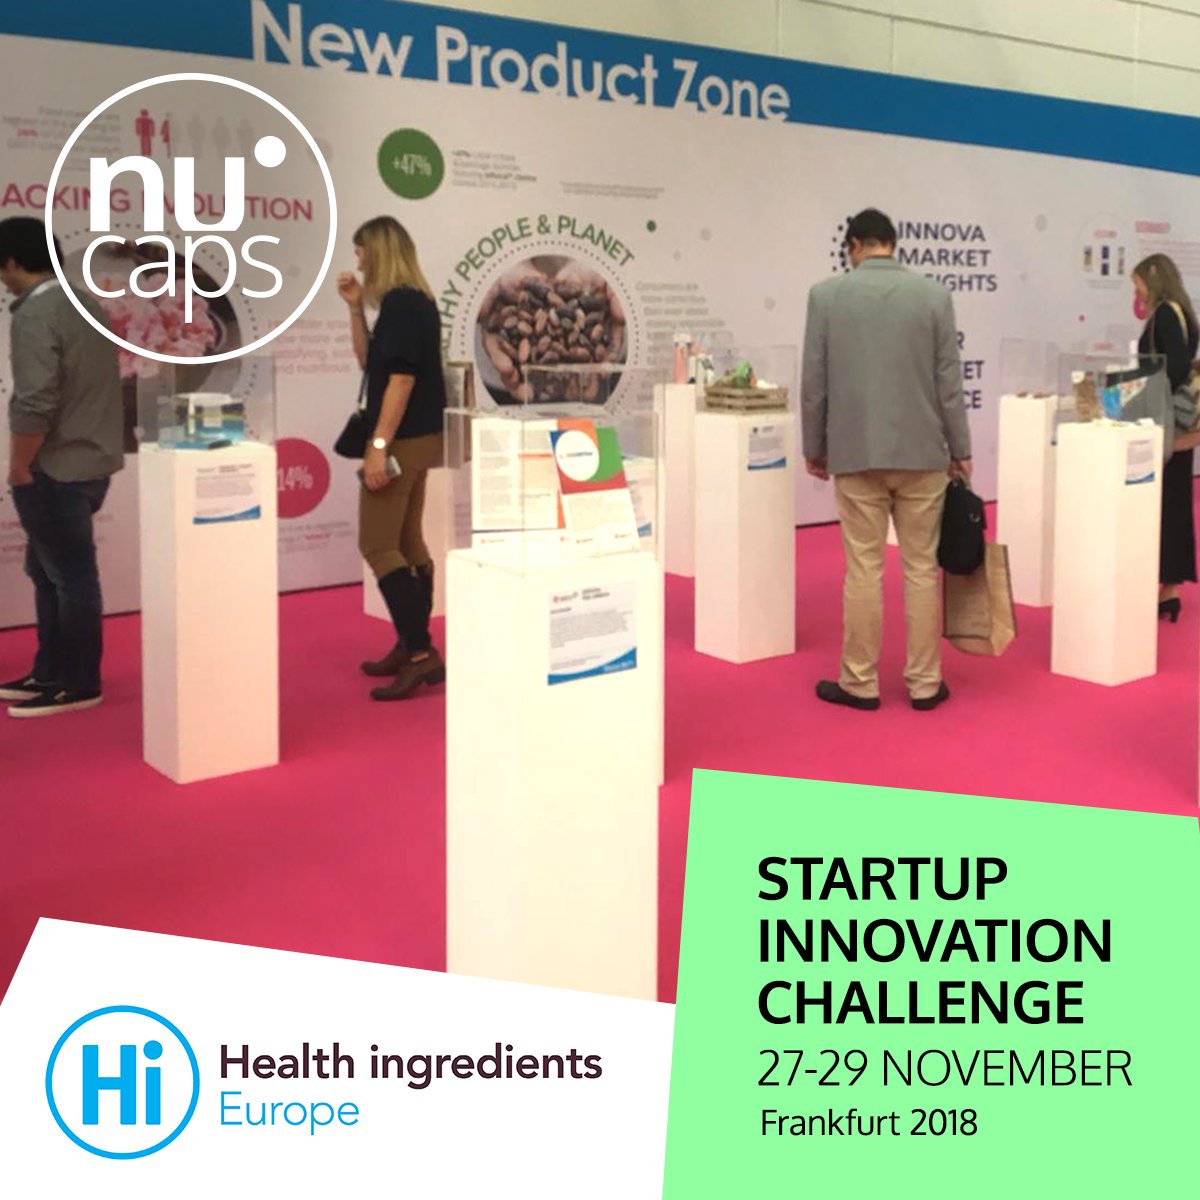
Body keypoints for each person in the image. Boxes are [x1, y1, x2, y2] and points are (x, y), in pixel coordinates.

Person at [801, 208, 972, 712]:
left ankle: (859, 681)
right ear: (893, 244)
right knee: (921, 569)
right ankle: (925, 682)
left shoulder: (826, 296)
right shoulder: (934, 297)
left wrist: (815, 447)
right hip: (923, 454)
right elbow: (949, 383)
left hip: (856, 452)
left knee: (863, 569)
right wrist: (961, 448)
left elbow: (814, 383)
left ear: (855, 245)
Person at [0, 216, 123, 716]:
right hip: (91, 461)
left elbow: (36, 399)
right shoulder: (85, 303)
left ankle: (77, 681)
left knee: (68, 577)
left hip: (55, 465)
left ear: (12, 262)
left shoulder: (37, 312)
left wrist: (19, 464)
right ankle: (51, 671)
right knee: (50, 571)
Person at [338, 216, 447, 700]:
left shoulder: (403, 305)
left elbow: (400, 382)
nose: (358, 260)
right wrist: (355, 309)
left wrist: (378, 447)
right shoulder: (411, 302)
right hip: (420, 437)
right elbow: (371, 364)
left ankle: (420, 653)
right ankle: (411, 645)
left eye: (361, 250)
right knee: (407, 541)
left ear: (379, 250)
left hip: (402, 439)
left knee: (378, 544)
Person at [1131, 253, 1199, 622]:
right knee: (1174, 499)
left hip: (1166, 422)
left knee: (1167, 501)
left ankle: (1167, 584)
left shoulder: (1166, 315)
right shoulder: (1183, 312)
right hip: (1180, 422)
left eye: (1138, 282)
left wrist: (1141, 389)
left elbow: (1173, 368)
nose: (1137, 291)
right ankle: (1168, 585)